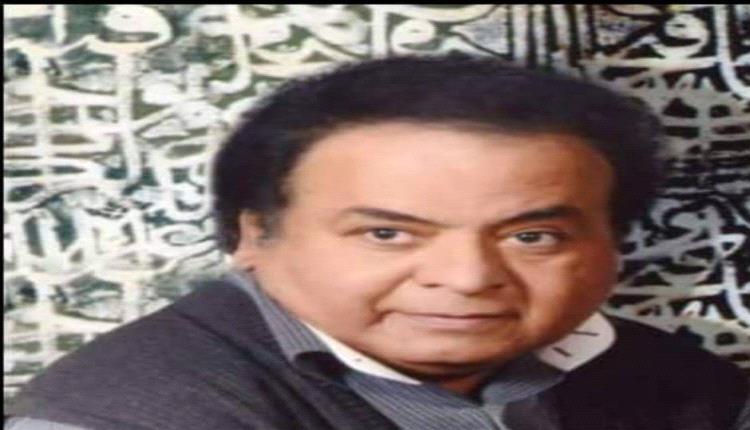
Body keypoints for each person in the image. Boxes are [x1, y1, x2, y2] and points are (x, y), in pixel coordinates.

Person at [5, 55, 749, 430]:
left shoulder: (676, 381)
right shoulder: (126, 413)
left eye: (532, 235)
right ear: (252, 234)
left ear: (613, 244)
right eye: (388, 233)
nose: (467, 277)